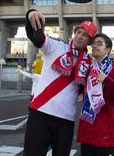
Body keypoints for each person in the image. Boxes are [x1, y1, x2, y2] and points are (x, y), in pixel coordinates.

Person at [23, 9, 97, 156]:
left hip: (65, 120)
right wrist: (30, 15)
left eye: (85, 35)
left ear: (89, 41)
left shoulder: (89, 63)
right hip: (40, 114)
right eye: (78, 32)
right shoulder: (56, 46)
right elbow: (37, 38)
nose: (80, 37)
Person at [77, 33, 114, 156]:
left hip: (106, 134)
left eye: (99, 44)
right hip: (87, 132)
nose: (95, 46)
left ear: (107, 50)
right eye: (94, 43)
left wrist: (107, 80)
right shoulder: (87, 70)